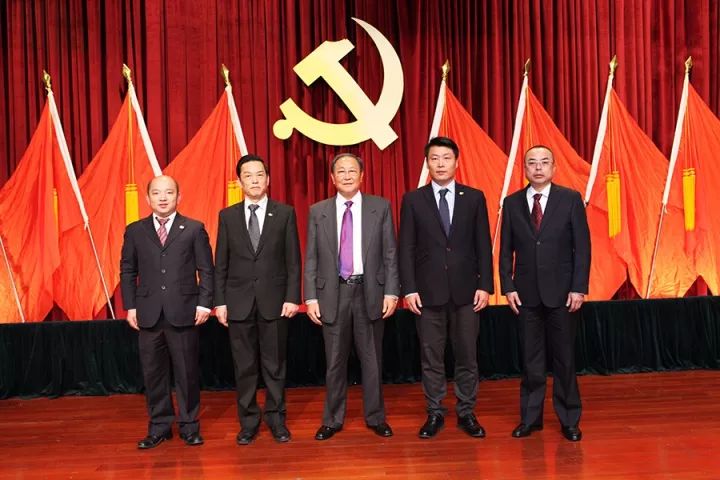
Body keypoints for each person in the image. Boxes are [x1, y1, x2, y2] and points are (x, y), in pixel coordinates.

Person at [398, 136, 493, 439]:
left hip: (467, 293)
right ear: (427, 163)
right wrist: (409, 289)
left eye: (446, 158)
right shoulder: (414, 200)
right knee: (431, 358)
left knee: (467, 356)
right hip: (427, 294)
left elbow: (483, 244)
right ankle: (435, 412)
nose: (440, 164)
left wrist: (486, 285)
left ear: (456, 162)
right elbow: (406, 248)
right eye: (434, 158)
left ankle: (466, 411)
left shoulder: (474, 198)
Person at [304, 153, 400, 441]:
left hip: (370, 291)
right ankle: (332, 420)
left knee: (372, 359)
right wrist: (311, 297)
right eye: (341, 172)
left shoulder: (380, 207)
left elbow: (390, 253)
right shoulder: (318, 211)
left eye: (352, 171)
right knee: (334, 361)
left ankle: (376, 417)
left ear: (362, 176)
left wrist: (391, 291)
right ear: (332, 178)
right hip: (333, 293)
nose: (347, 176)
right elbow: (311, 257)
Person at [499, 145, 591, 442]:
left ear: (554, 167)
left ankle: (569, 419)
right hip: (525, 295)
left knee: (565, 359)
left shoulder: (570, 199)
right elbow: (505, 250)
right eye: (532, 163)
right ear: (524, 168)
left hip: (563, 294)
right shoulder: (512, 203)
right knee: (531, 360)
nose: (538, 168)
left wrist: (579, 287)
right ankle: (530, 419)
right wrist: (508, 286)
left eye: (544, 162)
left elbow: (582, 248)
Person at [120, 175, 214, 449]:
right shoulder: (135, 231)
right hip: (148, 313)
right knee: (153, 374)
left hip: (184, 311)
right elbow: (128, 270)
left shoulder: (194, 229)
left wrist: (204, 303)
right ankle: (159, 427)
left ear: (178, 197)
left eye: (169, 192)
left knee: (186, 373)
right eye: (157, 193)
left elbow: (206, 270)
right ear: (147, 198)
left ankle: (189, 426)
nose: (163, 198)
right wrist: (131, 306)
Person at [214, 154, 301, 445]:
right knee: (245, 367)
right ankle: (249, 422)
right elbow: (221, 263)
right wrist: (220, 302)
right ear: (239, 182)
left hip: (275, 302)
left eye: (259, 175)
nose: (254, 180)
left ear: (268, 179)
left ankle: (277, 419)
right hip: (238, 303)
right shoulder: (227, 216)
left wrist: (292, 297)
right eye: (248, 176)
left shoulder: (285, 213)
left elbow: (293, 261)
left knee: (275, 366)